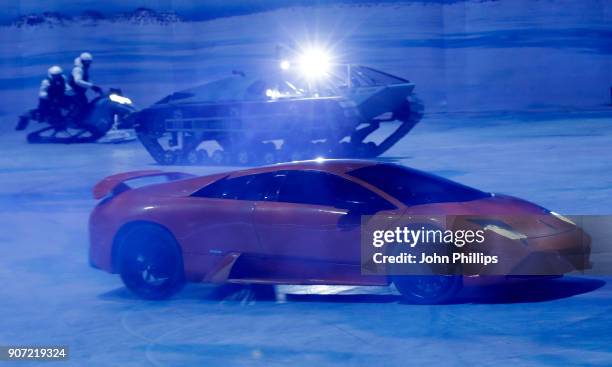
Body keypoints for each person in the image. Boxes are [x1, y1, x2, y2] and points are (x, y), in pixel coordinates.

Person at [68, 52, 101, 118]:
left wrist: (94, 87)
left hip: (79, 92)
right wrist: (91, 86)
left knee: (85, 105)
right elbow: (78, 81)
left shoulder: (83, 69)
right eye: (87, 62)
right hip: (73, 92)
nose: (88, 64)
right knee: (81, 105)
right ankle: (73, 120)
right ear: (83, 61)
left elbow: (86, 80)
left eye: (89, 62)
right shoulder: (78, 69)